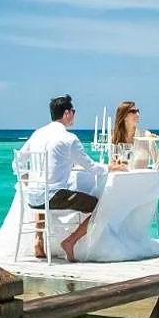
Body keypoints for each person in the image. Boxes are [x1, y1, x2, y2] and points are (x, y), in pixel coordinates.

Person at [21, 94, 121, 261]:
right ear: (67, 113)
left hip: (32, 197)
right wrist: (111, 167)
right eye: (73, 111)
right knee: (100, 207)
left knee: (48, 189)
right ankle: (70, 241)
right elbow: (91, 167)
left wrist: (28, 182)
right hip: (53, 197)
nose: (74, 114)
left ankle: (39, 242)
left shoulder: (37, 134)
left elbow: (18, 161)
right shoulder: (69, 139)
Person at [108, 101, 159, 169]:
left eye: (138, 111)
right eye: (133, 111)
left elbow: (158, 163)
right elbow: (112, 166)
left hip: (142, 178)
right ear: (124, 117)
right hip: (122, 178)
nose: (137, 114)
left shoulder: (146, 136)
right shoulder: (114, 138)